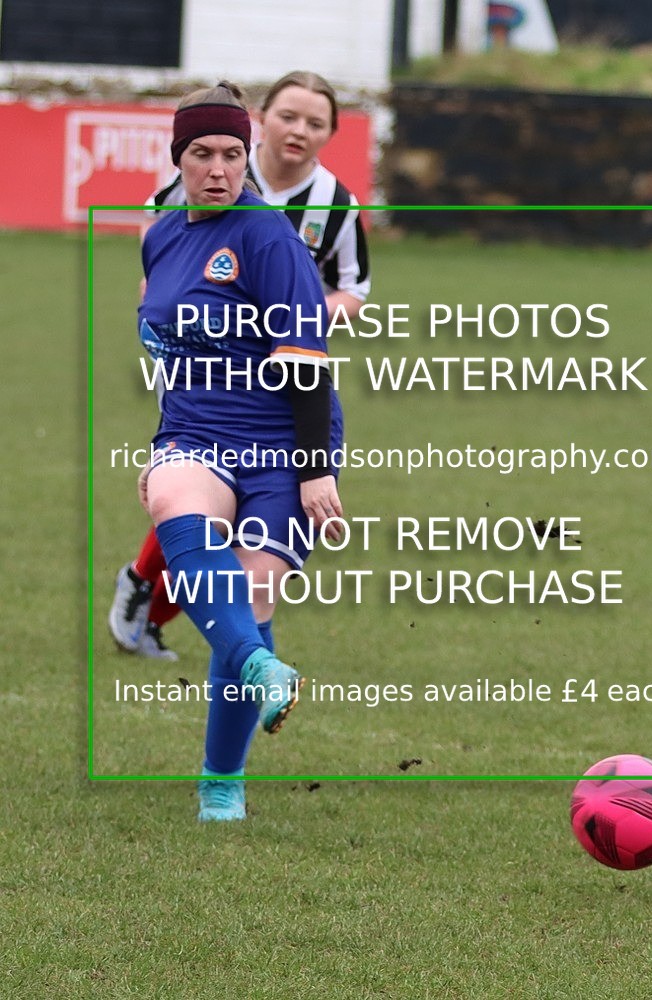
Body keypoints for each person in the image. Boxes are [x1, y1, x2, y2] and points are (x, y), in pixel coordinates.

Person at [135, 81, 344, 821]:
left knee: (251, 596)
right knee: (172, 501)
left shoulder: (268, 237)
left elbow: (308, 358)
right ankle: (261, 670)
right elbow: (167, 337)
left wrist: (316, 468)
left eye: (230, 153)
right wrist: (167, 440)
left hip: (284, 441)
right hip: (196, 431)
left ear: (244, 156)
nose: (218, 168)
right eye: (202, 154)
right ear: (178, 158)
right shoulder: (160, 232)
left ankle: (220, 780)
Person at [109, 71, 369, 660]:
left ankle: (196, 637)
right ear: (265, 120)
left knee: (236, 568)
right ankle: (149, 593)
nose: (299, 131)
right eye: (289, 116)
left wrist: (293, 320)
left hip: (280, 397)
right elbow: (160, 284)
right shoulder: (179, 205)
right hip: (200, 393)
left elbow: (353, 290)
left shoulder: (327, 207)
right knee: (186, 511)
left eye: (316, 122)